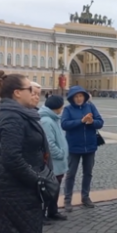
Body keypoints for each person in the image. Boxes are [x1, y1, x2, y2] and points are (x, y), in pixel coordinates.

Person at [0, 70, 52, 233]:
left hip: (21, 188)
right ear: (17, 93)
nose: (34, 93)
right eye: (30, 90)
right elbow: (11, 158)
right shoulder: (12, 117)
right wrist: (37, 181)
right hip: (14, 190)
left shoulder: (20, 114)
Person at [61, 85, 104, 212]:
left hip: (90, 146)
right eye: (76, 96)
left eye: (81, 96)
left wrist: (92, 122)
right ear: (72, 98)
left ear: (84, 97)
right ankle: (67, 199)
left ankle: (85, 197)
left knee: (88, 173)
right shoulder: (68, 109)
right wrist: (81, 121)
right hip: (74, 147)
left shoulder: (90, 106)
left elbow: (100, 122)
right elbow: (64, 124)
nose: (79, 98)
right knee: (71, 174)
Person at [39, 95, 69, 224]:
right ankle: (42, 214)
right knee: (49, 189)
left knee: (55, 188)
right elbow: (50, 143)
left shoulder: (53, 118)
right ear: (57, 107)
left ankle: (53, 211)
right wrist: (60, 154)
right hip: (54, 162)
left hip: (58, 162)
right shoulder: (47, 121)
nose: (63, 108)